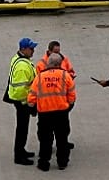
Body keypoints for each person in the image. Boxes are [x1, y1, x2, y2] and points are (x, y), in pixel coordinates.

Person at [27, 50, 77, 171]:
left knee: (45, 140)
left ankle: (44, 163)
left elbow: (31, 98)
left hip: (44, 114)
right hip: (61, 113)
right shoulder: (66, 76)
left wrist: (33, 108)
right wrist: (68, 107)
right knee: (62, 139)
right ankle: (62, 162)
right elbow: (72, 96)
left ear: (48, 64)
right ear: (60, 64)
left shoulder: (40, 77)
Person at [5, 37, 38, 166]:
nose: (33, 51)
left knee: (22, 128)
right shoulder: (22, 66)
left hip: (20, 100)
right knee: (22, 129)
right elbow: (20, 90)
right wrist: (28, 101)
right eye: (31, 48)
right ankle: (19, 156)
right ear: (23, 49)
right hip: (22, 102)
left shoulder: (19, 59)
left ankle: (21, 151)